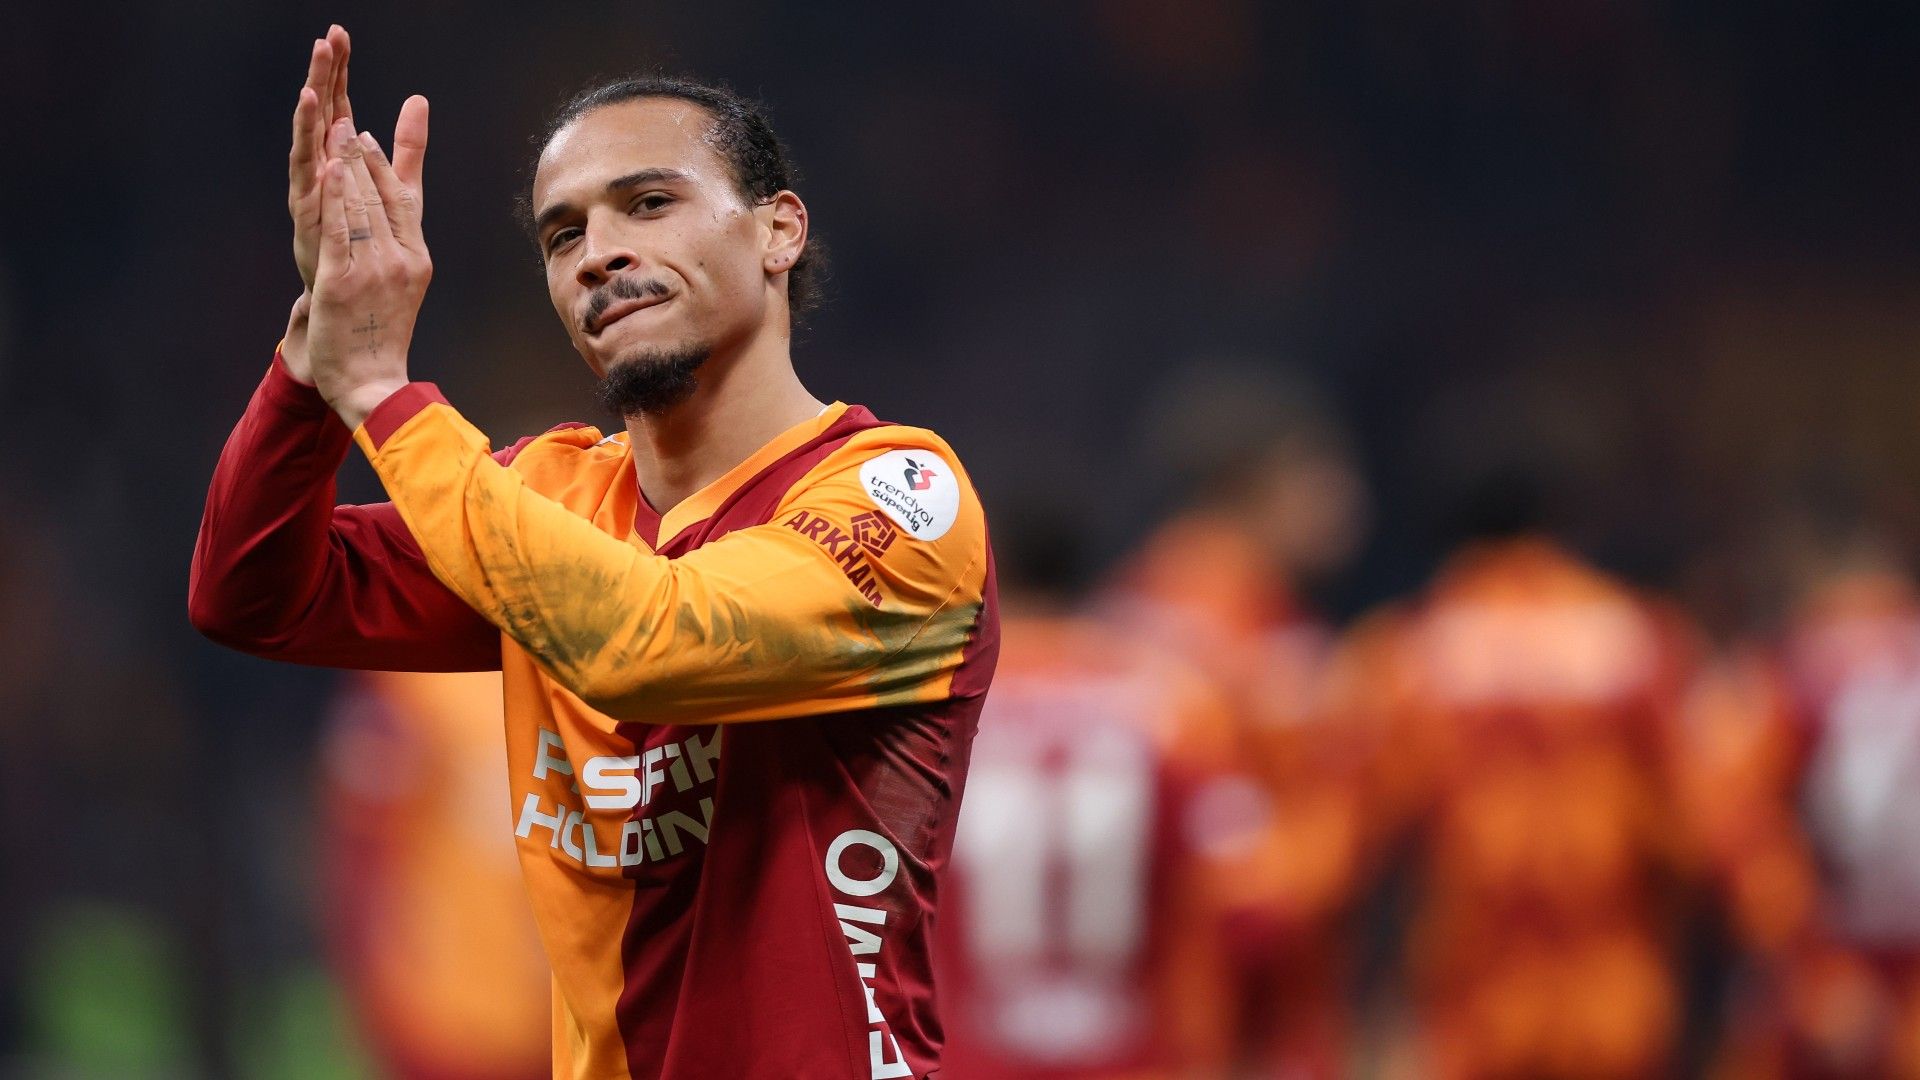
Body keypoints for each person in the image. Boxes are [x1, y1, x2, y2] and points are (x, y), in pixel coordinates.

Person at [188, 27, 999, 1080]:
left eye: (649, 204)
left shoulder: (900, 501)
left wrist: (385, 395)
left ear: (779, 232)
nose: (598, 253)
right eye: (562, 236)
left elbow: (651, 641)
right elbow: (254, 594)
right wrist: (314, 354)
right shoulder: (549, 499)